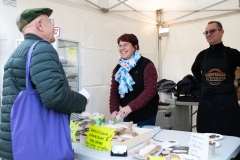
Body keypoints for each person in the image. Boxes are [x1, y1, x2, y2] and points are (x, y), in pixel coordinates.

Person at [0, 8, 88, 159]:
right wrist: (82, 100)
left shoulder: (19, 51)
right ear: (40, 25)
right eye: (50, 22)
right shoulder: (42, 49)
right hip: (36, 143)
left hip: (17, 141)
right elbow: (55, 96)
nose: (54, 27)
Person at [191, 21, 240, 137]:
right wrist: (204, 83)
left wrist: (238, 82)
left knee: (229, 139)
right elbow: (194, 69)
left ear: (222, 32)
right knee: (206, 138)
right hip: (206, 104)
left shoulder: (232, 53)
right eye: (206, 32)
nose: (208, 34)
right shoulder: (202, 55)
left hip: (227, 105)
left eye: (212, 30)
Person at [109, 33, 159, 127]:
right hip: (128, 114)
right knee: (129, 138)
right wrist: (114, 110)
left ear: (135, 47)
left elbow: (150, 91)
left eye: (125, 44)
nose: (122, 48)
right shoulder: (118, 69)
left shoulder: (147, 65)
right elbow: (114, 91)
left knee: (144, 139)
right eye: (120, 45)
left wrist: (130, 107)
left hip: (146, 114)